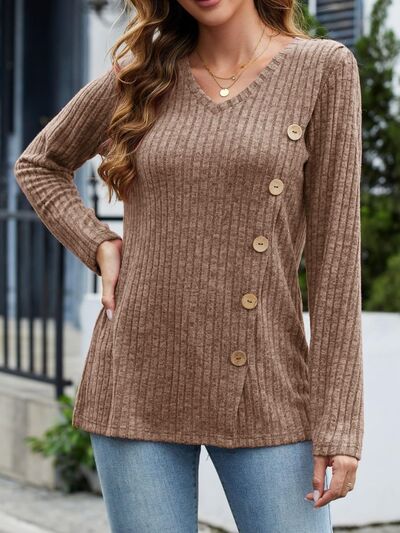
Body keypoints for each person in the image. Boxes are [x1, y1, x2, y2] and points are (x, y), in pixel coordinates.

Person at [14, 0, 364, 530]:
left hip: (265, 385)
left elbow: (336, 260)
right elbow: (40, 164)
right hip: (137, 379)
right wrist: (100, 243)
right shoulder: (143, 75)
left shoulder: (323, 68)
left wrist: (339, 423)